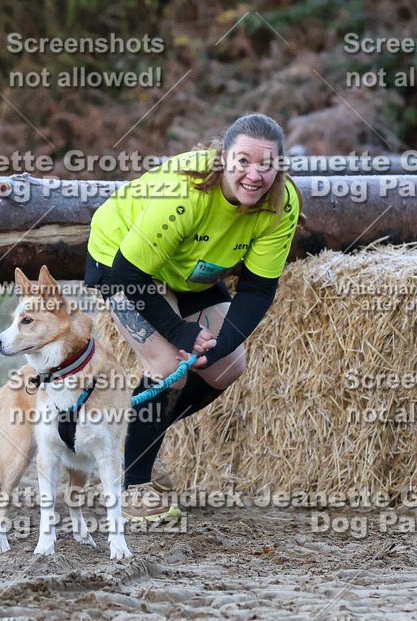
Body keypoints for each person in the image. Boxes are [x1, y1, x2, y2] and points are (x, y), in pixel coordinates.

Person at [83, 112, 302, 521]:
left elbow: (257, 288)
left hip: (191, 268)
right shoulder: (183, 192)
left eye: (266, 164)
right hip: (125, 262)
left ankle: (134, 444)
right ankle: (132, 487)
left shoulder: (282, 204)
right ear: (223, 159)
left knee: (227, 367)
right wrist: (180, 333)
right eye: (243, 162)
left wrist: (221, 344)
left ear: (280, 166)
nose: (254, 175)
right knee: (169, 366)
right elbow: (130, 273)